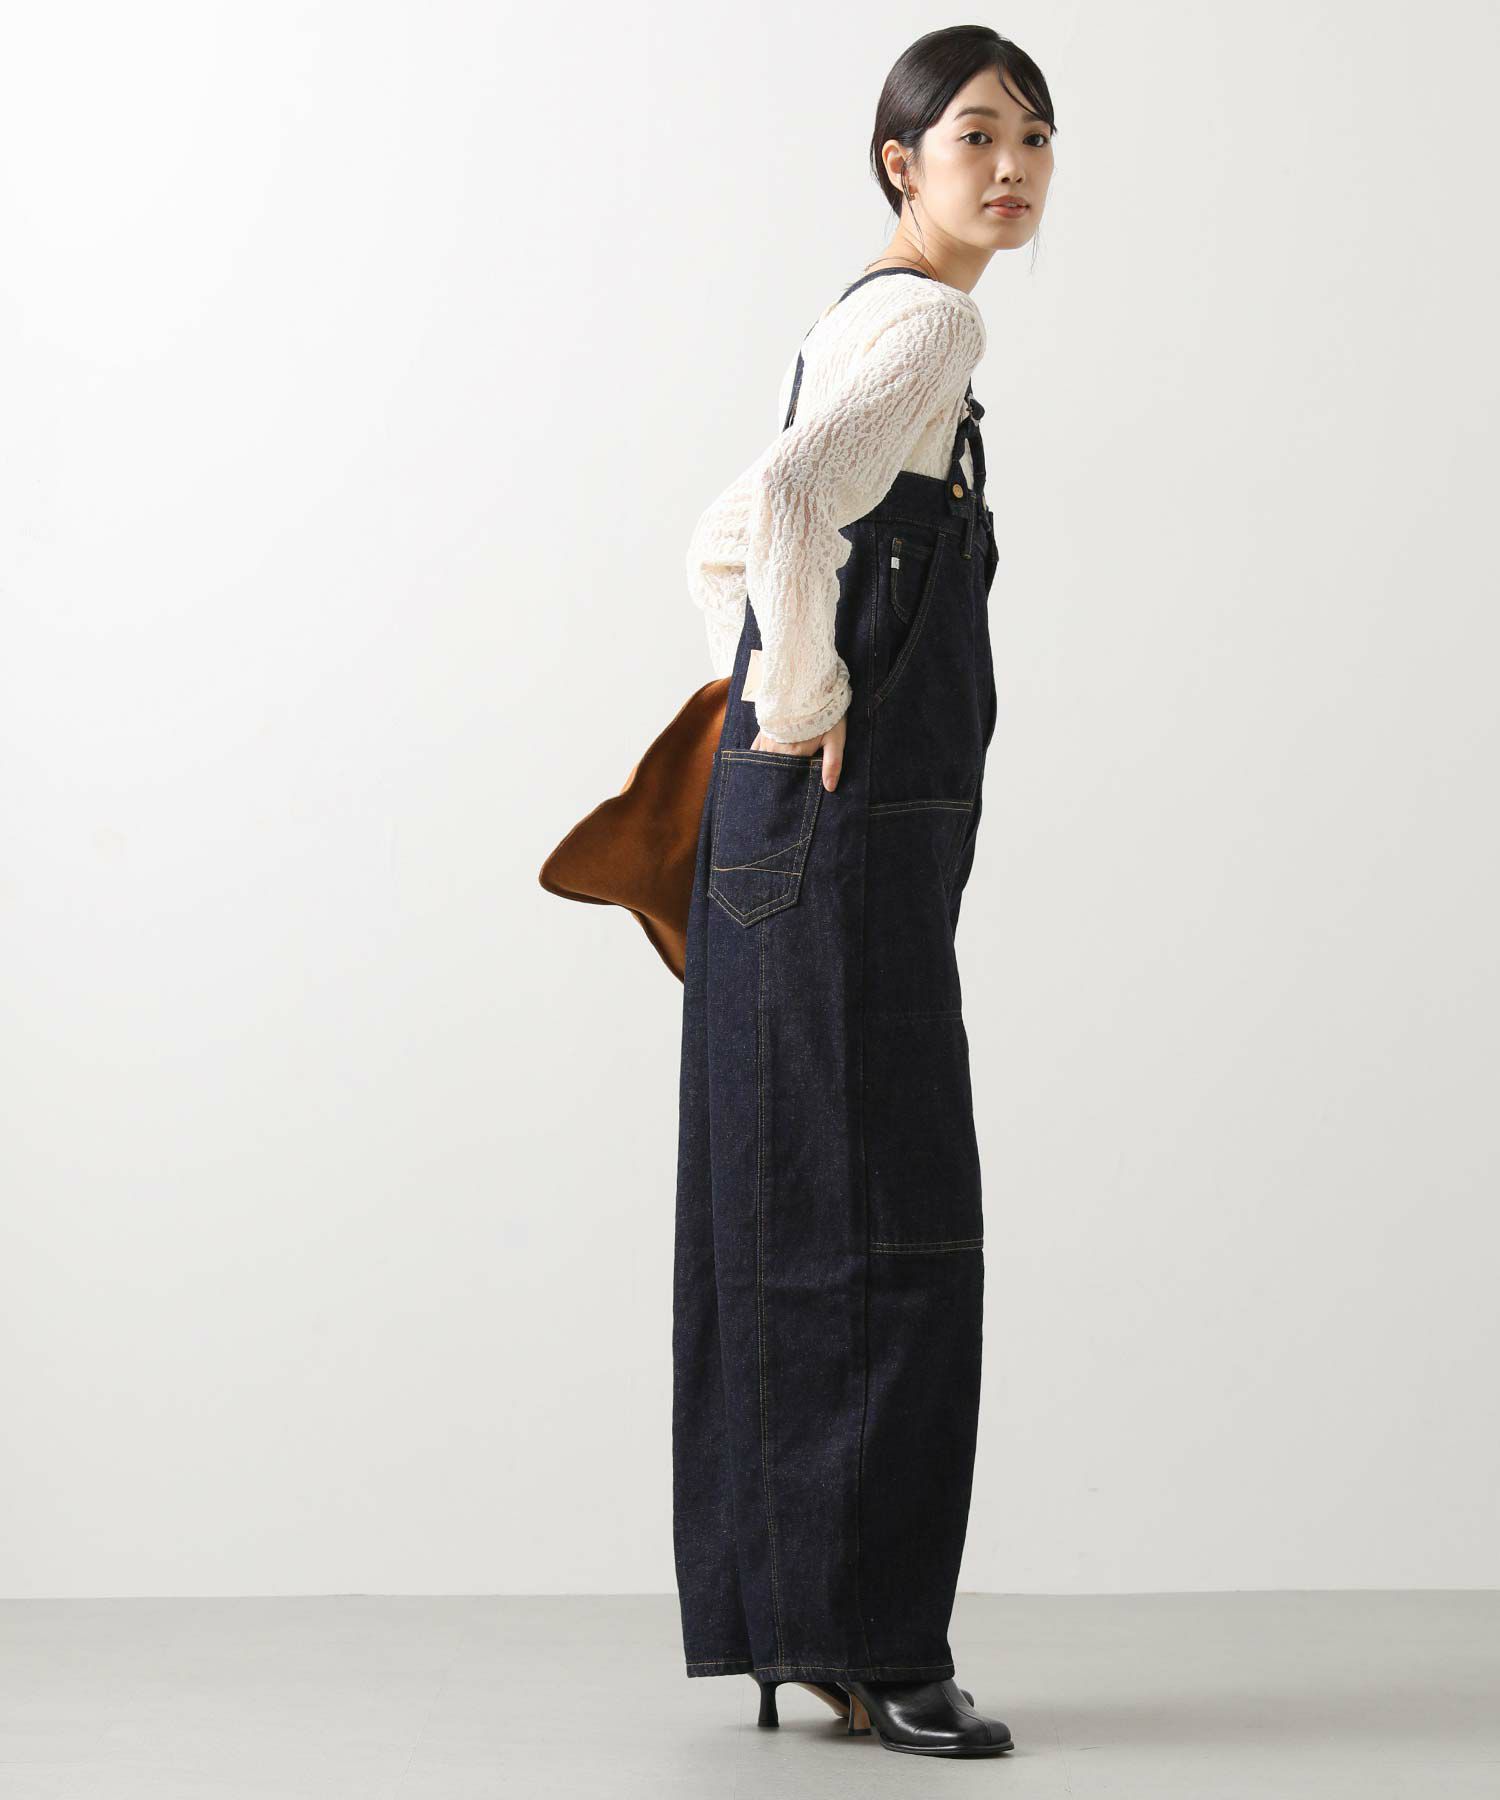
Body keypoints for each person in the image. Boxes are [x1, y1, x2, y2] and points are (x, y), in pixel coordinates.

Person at [672, 25, 1057, 1760]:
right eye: (975, 134)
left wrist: (770, 697)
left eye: (1035, 137)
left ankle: (801, 1630)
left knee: (788, 1215)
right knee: (896, 1227)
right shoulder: (932, 326)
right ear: (901, 162)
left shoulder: (865, 323)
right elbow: (778, 500)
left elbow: (724, 544)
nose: (1013, 165)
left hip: (783, 839)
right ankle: (883, 1647)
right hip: (841, 839)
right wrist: (809, 698)